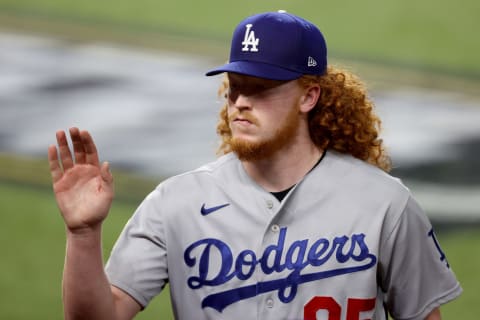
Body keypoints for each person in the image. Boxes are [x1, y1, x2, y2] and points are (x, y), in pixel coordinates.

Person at [48, 10, 462, 320]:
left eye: (261, 89)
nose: (241, 102)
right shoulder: (175, 203)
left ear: (309, 97)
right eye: (235, 87)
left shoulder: (384, 205)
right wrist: (83, 234)